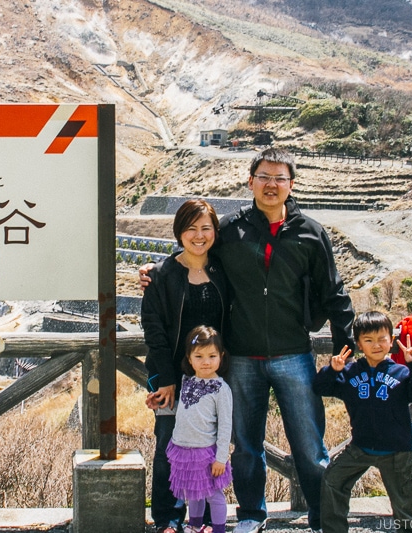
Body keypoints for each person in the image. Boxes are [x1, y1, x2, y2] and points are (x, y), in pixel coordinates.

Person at [142, 148, 355, 533]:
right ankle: (253, 515)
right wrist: (157, 271)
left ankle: (325, 519)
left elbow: (334, 293)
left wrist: (348, 348)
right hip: (240, 356)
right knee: (244, 445)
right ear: (250, 180)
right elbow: (196, 249)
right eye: (264, 176)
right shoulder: (232, 229)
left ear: (292, 184)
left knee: (309, 446)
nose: (271, 184)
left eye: (279, 178)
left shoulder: (311, 233)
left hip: (294, 354)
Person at [142, 199, 229, 533]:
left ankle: (205, 519)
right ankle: (167, 518)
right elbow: (155, 330)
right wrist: (165, 379)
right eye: (191, 228)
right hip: (172, 379)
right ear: (179, 231)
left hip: (212, 380)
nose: (199, 235)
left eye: (206, 227)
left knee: (207, 449)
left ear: (215, 232)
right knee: (168, 449)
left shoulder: (222, 271)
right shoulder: (162, 275)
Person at [313, 311, 412, 533]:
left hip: (397, 451)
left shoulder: (402, 372)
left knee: (405, 502)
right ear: (358, 344)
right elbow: (320, 387)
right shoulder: (350, 373)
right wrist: (333, 370)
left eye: (382, 339)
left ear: (391, 341)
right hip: (360, 447)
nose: (376, 345)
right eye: (368, 340)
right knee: (332, 481)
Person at [167, 326, 233, 533]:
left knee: (213, 494)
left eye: (212, 356)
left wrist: (221, 457)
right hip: (183, 448)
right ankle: (194, 525)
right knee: (193, 492)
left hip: (206, 451)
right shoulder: (187, 381)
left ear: (221, 357)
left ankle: (219, 528)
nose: (206, 362)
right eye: (199, 356)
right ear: (189, 358)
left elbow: (225, 425)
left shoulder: (221, 389)